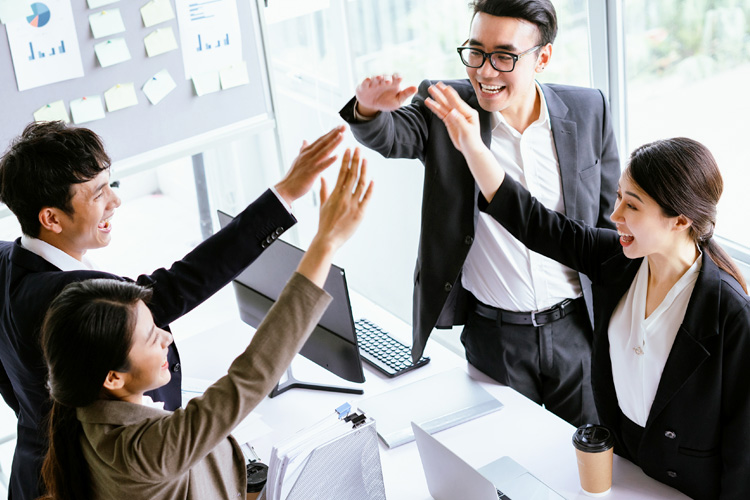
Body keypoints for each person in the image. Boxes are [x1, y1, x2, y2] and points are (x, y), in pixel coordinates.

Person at [425, 81, 750, 499]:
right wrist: (472, 146)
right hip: (622, 468)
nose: (614, 215)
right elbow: (535, 222)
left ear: (680, 220)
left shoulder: (730, 312)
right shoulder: (616, 258)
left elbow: (743, 445)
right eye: (618, 198)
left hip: (686, 488)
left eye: (632, 206)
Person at [0, 120, 345, 500]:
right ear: (50, 218)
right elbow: (179, 286)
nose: (115, 201)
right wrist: (305, 221)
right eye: (99, 194)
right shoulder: (71, 297)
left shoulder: (8, 262)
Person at [339, 0, 620, 426]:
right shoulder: (448, 108)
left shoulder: (588, 109)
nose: (485, 71)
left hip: (576, 331)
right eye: (475, 51)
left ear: (542, 57)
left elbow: (608, 221)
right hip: (495, 336)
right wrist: (368, 110)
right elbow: (393, 136)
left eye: (504, 56)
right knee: (504, 471)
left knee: (589, 471)